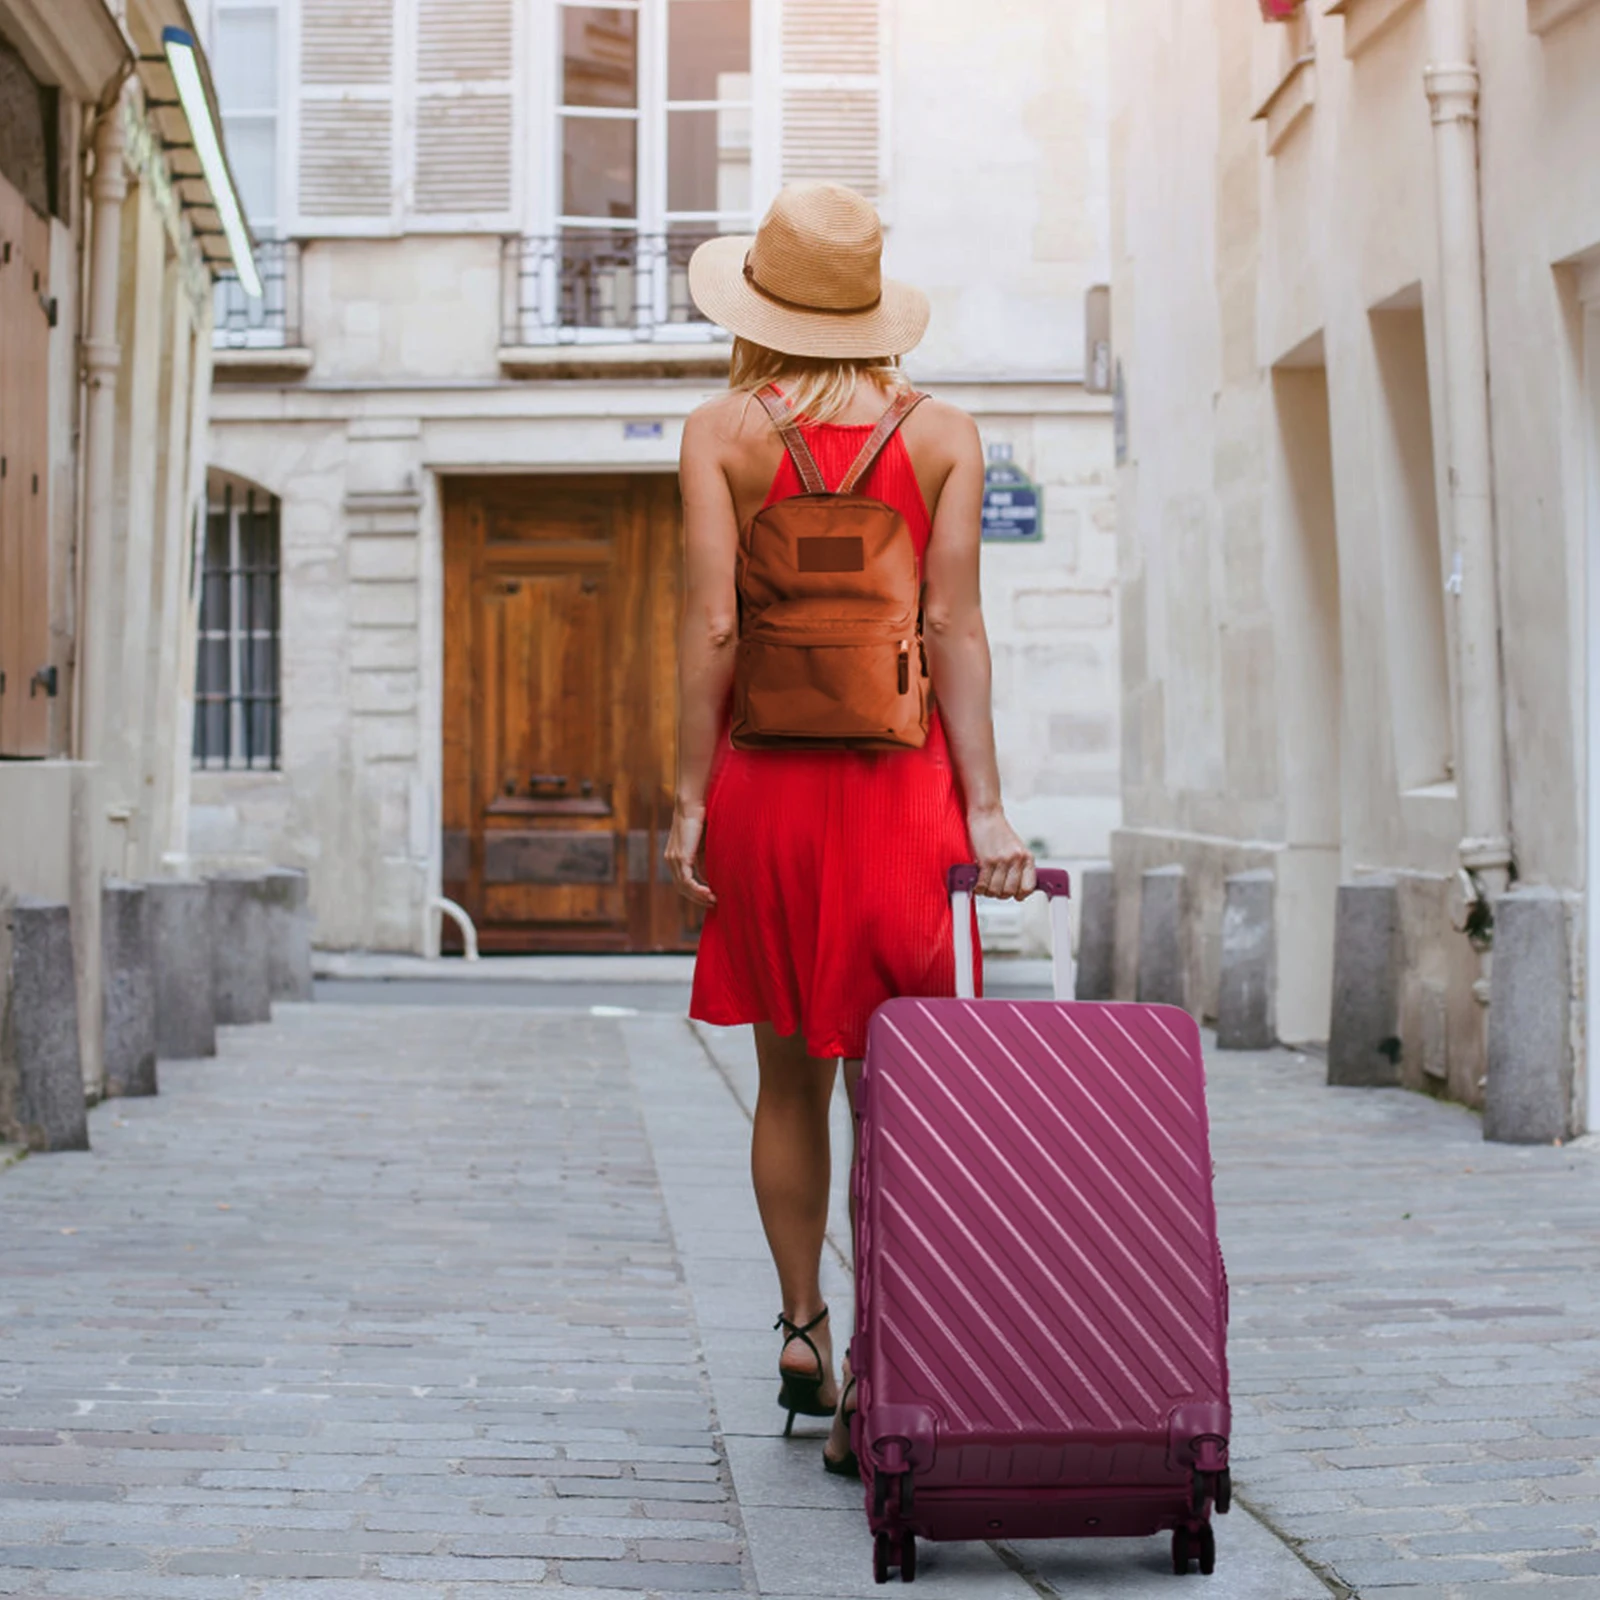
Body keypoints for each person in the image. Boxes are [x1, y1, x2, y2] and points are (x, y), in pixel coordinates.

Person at [665, 181, 1037, 1475]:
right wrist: (985, 807)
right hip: (901, 790)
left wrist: (687, 801)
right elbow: (956, 629)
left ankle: (803, 1330)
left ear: (760, 307)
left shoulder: (720, 430)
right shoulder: (942, 432)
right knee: (905, 1089)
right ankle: (890, 1367)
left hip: (767, 786)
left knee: (787, 1078)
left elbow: (715, 628)